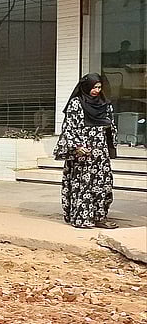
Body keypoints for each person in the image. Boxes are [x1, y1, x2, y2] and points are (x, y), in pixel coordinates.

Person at [54, 73, 118, 229]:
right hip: (83, 152)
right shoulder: (76, 103)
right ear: (86, 86)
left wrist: (109, 133)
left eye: (99, 87)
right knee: (83, 183)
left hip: (100, 152)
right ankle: (81, 217)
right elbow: (69, 127)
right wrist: (77, 146)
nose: (96, 90)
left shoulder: (105, 104)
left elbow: (111, 125)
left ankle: (99, 217)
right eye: (94, 87)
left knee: (102, 183)